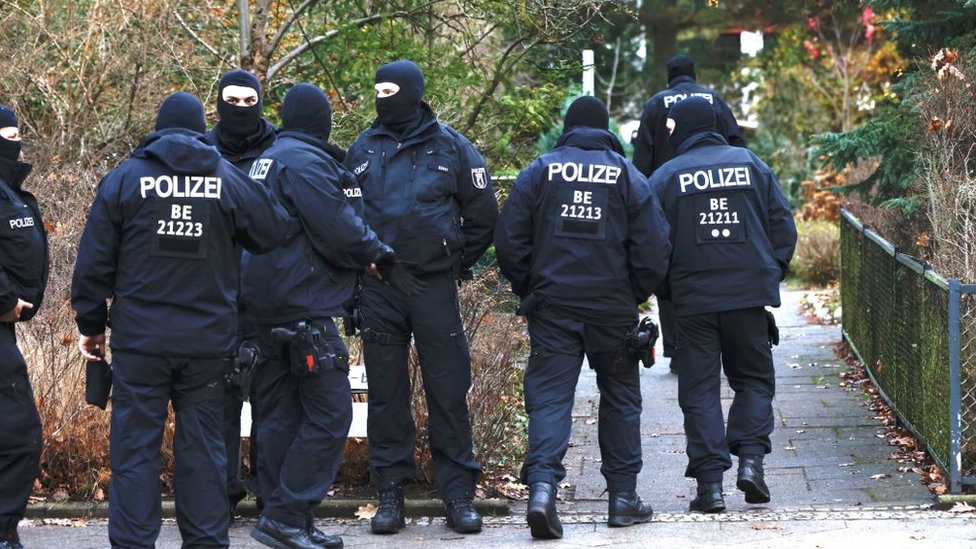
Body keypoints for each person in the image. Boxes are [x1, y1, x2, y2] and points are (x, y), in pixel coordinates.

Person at [71, 92, 290, 548]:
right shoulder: (225, 177)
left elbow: (93, 264)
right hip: (207, 345)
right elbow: (273, 229)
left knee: (134, 451)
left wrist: (91, 326)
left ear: (157, 127)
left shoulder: (125, 179)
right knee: (205, 452)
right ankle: (207, 542)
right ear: (199, 129)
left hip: (140, 343)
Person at [243, 83, 410, 549]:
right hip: (303, 308)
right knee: (332, 412)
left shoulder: (267, 159)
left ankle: (289, 517)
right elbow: (337, 225)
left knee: (279, 415)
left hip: (263, 307)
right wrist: (378, 253)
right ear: (322, 122)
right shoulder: (306, 162)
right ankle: (287, 515)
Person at [495, 96, 671, 539]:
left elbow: (510, 241)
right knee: (621, 398)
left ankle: (541, 490)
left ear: (568, 129)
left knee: (550, 398)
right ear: (605, 129)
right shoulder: (628, 176)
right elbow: (654, 247)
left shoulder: (540, 171)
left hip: (553, 307)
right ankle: (622, 498)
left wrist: (531, 289)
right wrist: (632, 293)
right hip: (611, 310)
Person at [344, 60, 498, 536]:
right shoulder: (362, 148)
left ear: (412, 92)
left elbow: (483, 214)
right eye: (378, 89)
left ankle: (457, 495)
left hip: (431, 286)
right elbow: (345, 218)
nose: (382, 97)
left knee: (448, 391)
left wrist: (453, 261)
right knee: (386, 396)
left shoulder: (452, 147)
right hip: (379, 288)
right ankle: (390, 493)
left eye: (391, 89)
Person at [648, 96, 796, 513]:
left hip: (693, 303)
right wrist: (771, 272)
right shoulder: (752, 165)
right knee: (752, 380)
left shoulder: (665, 176)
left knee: (699, 391)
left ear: (685, 129)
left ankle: (710, 488)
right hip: (747, 298)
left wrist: (667, 288)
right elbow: (782, 224)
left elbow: (650, 242)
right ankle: (751, 462)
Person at [632, 54, 747, 374]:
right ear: (693, 75)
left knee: (672, 266)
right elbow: (738, 143)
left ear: (669, 77)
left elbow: (642, 157)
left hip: (670, 195)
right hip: (719, 190)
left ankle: (679, 348)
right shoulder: (714, 100)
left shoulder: (657, 104)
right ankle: (725, 338)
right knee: (721, 260)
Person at [206, 68, 278, 512]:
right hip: (215, 297)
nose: (240, 110)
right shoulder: (199, 151)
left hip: (271, 296)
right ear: (218, 102)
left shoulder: (280, 150)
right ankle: (222, 492)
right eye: (231, 101)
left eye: (249, 102)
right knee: (218, 399)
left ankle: (271, 494)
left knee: (274, 399)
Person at [0, 105, 48, 549]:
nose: (13, 142)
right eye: (4, 134)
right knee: (19, 436)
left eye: (17, 133)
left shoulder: (12, 193)